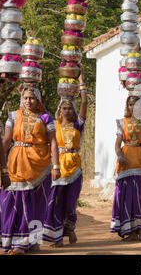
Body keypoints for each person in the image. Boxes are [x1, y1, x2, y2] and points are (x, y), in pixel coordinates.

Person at [1, 84, 60, 254]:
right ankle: (12, 241)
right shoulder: (13, 116)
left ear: (38, 100)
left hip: (39, 166)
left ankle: (27, 243)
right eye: (26, 98)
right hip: (15, 163)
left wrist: (56, 165)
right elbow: (6, 141)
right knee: (10, 202)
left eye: (32, 98)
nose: (28, 101)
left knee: (36, 204)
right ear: (22, 99)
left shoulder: (45, 118)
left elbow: (53, 142)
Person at [43, 72, 87, 247]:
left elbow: (84, 102)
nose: (67, 111)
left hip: (74, 170)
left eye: (70, 108)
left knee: (70, 203)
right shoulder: (53, 125)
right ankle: (57, 237)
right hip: (58, 168)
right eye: (64, 108)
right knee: (55, 202)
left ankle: (70, 228)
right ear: (59, 110)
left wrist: (80, 81)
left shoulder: (78, 124)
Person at [110, 95, 141, 241]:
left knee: (139, 196)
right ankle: (131, 230)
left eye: (136, 105)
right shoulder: (122, 122)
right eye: (130, 105)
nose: (133, 107)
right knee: (125, 197)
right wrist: (119, 155)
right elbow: (117, 144)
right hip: (125, 164)